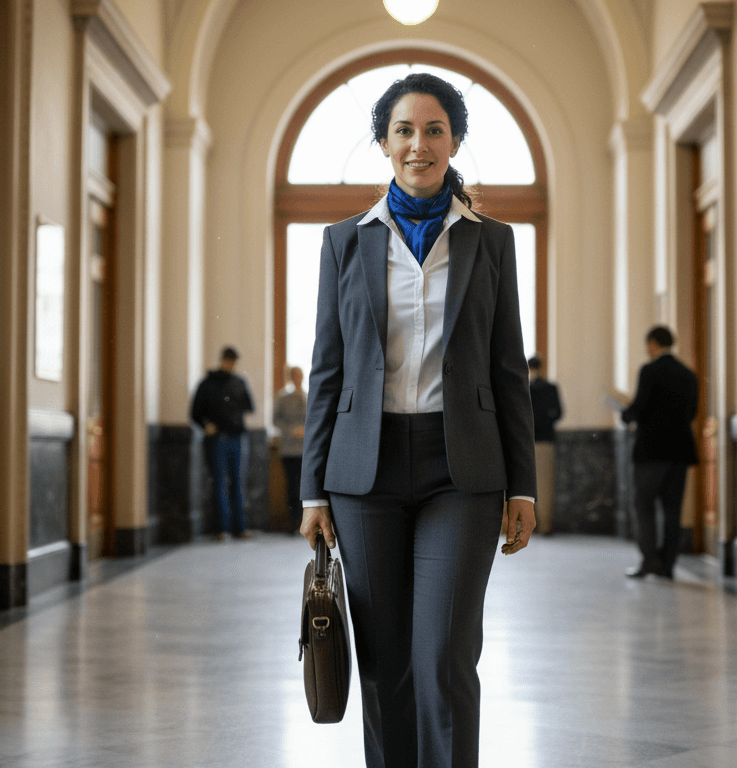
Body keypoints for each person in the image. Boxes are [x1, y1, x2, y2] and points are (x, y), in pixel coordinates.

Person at [298, 72, 536, 768]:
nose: (419, 144)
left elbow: (507, 370)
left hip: (461, 471)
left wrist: (521, 485)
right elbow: (328, 370)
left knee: (444, 657)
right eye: (404, 130)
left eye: (434, 129)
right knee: (384, 666)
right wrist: (314, 488)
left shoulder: (491, 242)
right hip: (362, 473)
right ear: (383, 143)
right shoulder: (346, 241)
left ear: (454, 140)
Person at [618, 326, 699, 580]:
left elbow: (639, 408)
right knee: (672, 509)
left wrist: (625, 413)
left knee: (644, 505)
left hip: (651, 452)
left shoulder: (649, 370)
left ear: (652, 343)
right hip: (680, 452)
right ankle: (669, 565)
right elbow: (692, 413)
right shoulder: (688, 374)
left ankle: (649, 560)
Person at [190, 346, 255, 541]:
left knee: (237, 483)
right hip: (217, 439)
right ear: (222, 360)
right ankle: (221, 529)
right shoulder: (207, 384)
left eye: (233, 361)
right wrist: (205, 425)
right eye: (228, 360)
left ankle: (239, 528)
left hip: (237, 437)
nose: (230, 364)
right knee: (219, 483)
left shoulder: (239, 382)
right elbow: (195, 413)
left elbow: (249, 407)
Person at [528, 355, 563, 535]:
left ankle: (529, 525)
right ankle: (545, 525)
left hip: (528, 441)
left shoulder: (526, 389)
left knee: (527, 485)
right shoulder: (551, 388)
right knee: (545, 485)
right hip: (546, 440)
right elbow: (558, 413)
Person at [272, 366, 306, 533]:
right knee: (292, 486)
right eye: (296, 376)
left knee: (305, 487)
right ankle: (293, 523)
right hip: (289, 449)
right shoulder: (283, 398)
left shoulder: (309, 396)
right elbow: (275, 420)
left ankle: (305, 521)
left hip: (305, 450)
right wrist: (292, 430)